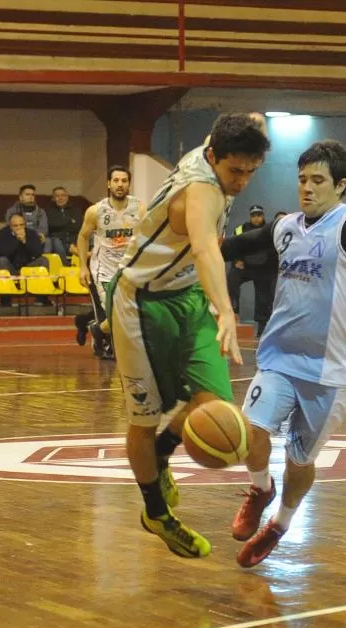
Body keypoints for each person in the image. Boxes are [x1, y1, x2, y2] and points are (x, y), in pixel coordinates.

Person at [223, 140, 346, 568]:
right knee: (249, 434)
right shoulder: (285, 226)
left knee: (299, 460)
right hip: (279, 358)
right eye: (302, 180)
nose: (306, 189)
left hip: (332, 371)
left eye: (318, 181)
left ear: (340, 185)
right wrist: (191, 246)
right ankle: (260, 488)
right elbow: (232, 247)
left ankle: (280, 524)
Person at [108, 113, 270, 558]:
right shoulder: (200, 193)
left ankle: (164, 451)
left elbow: (234, 124)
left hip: (186, 293)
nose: (242, 181)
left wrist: (252, 120)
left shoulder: (217, 143)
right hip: (141, 300)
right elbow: (204, 249)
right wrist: (226, 310)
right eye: (235, 171)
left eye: (251, 171)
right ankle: (156, 512)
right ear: (214, 157)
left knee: (214, 405)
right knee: (143, 418)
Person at [74, 165, 144, 359]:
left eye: (124, 181)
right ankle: (105, 343)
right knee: (116, 313)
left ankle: (93, 327)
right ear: (108, 184)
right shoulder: (96, 211)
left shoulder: (139, 208)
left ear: (129, 184)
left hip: (128, 270)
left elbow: (148, 236)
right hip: (103, 270)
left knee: (132, 310)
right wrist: (82, 267)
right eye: (116, 181)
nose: (120, 185)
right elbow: (82, 237)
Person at [227, 204, 277, 338]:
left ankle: (262, 328)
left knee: (263, 297)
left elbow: (275, 251)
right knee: (232, 279)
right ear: (250, 217)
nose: (256, 218)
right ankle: (233, 313)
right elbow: (233, 246)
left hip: (263, 268)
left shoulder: (270, 229)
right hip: (245, 267)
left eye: (259, 215)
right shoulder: (241, 229)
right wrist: (236, 260)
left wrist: (270, 267)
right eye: (253, 216)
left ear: (263, 216)